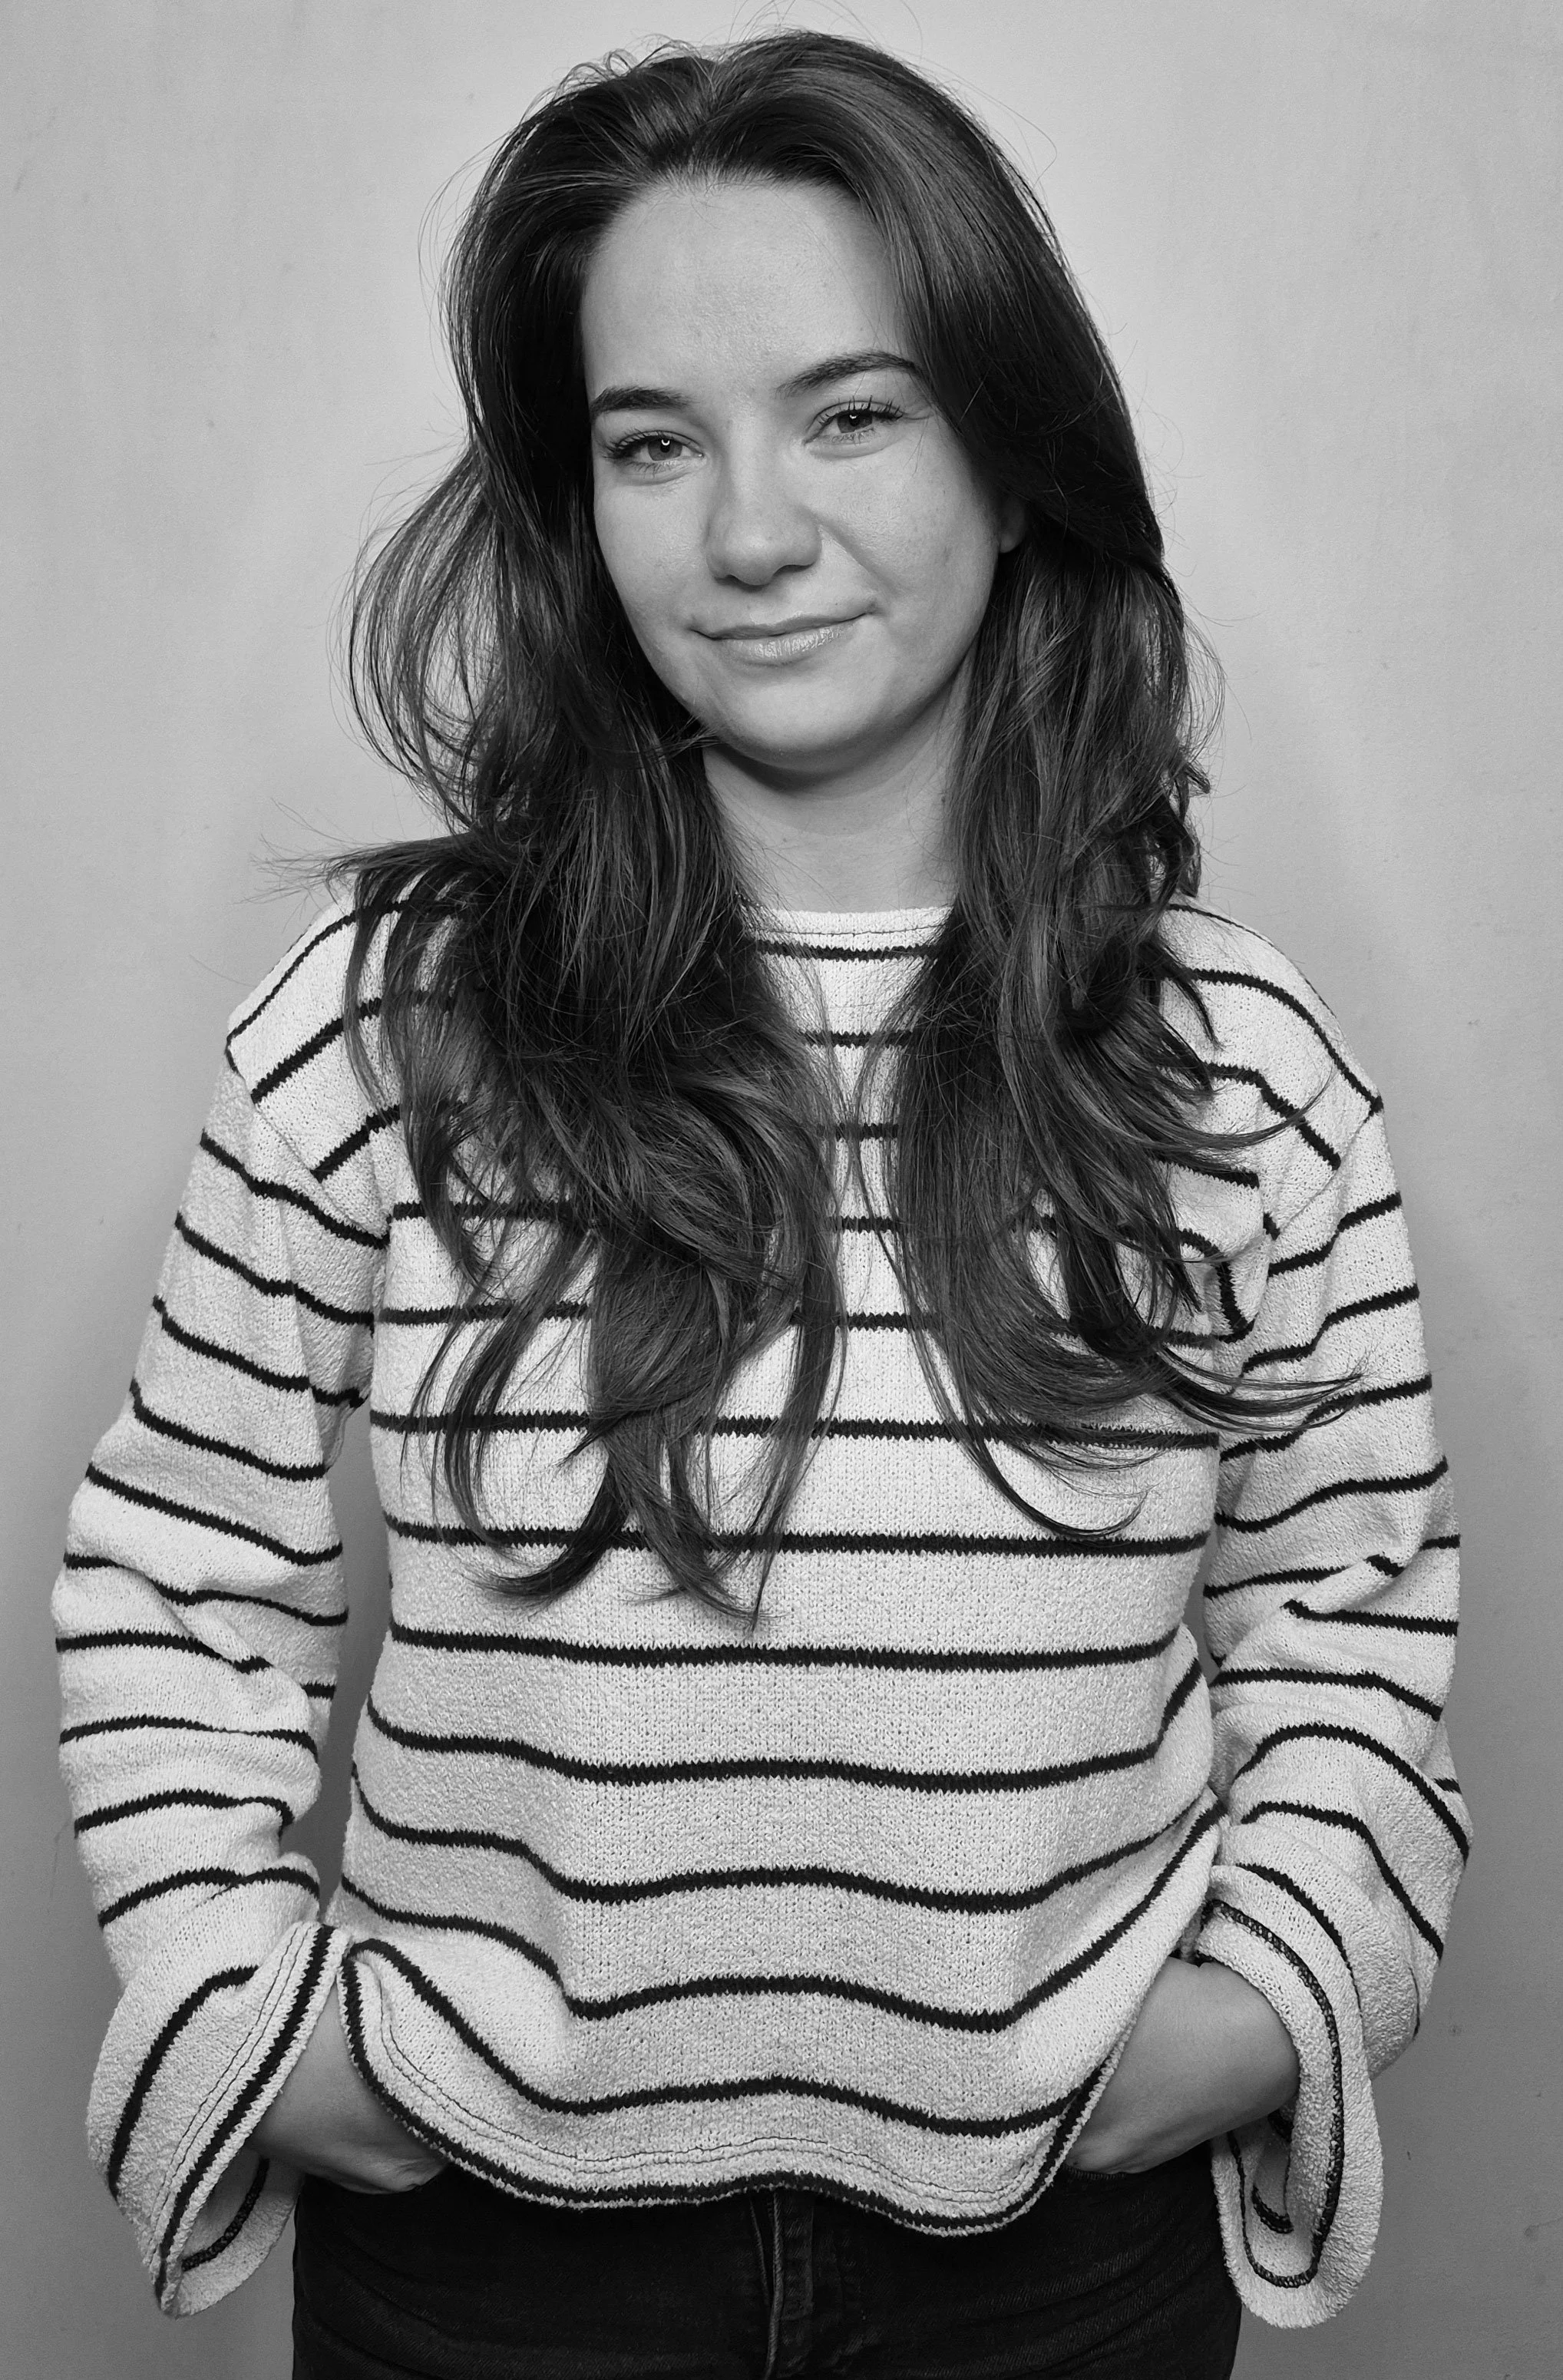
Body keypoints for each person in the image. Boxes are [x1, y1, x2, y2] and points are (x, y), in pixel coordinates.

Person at [54, 30, 1468, 2379]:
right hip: (488, 2282)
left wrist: (1275, 1986)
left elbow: (1347, 1607)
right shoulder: (381, 1019)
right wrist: (240, 2003)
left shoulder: (1239, 1063)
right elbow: (177, 1557)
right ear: (575, 506)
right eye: (647, 442)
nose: (743, 531)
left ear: (1015, 455)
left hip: (1052, 2276)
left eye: (853, 411)